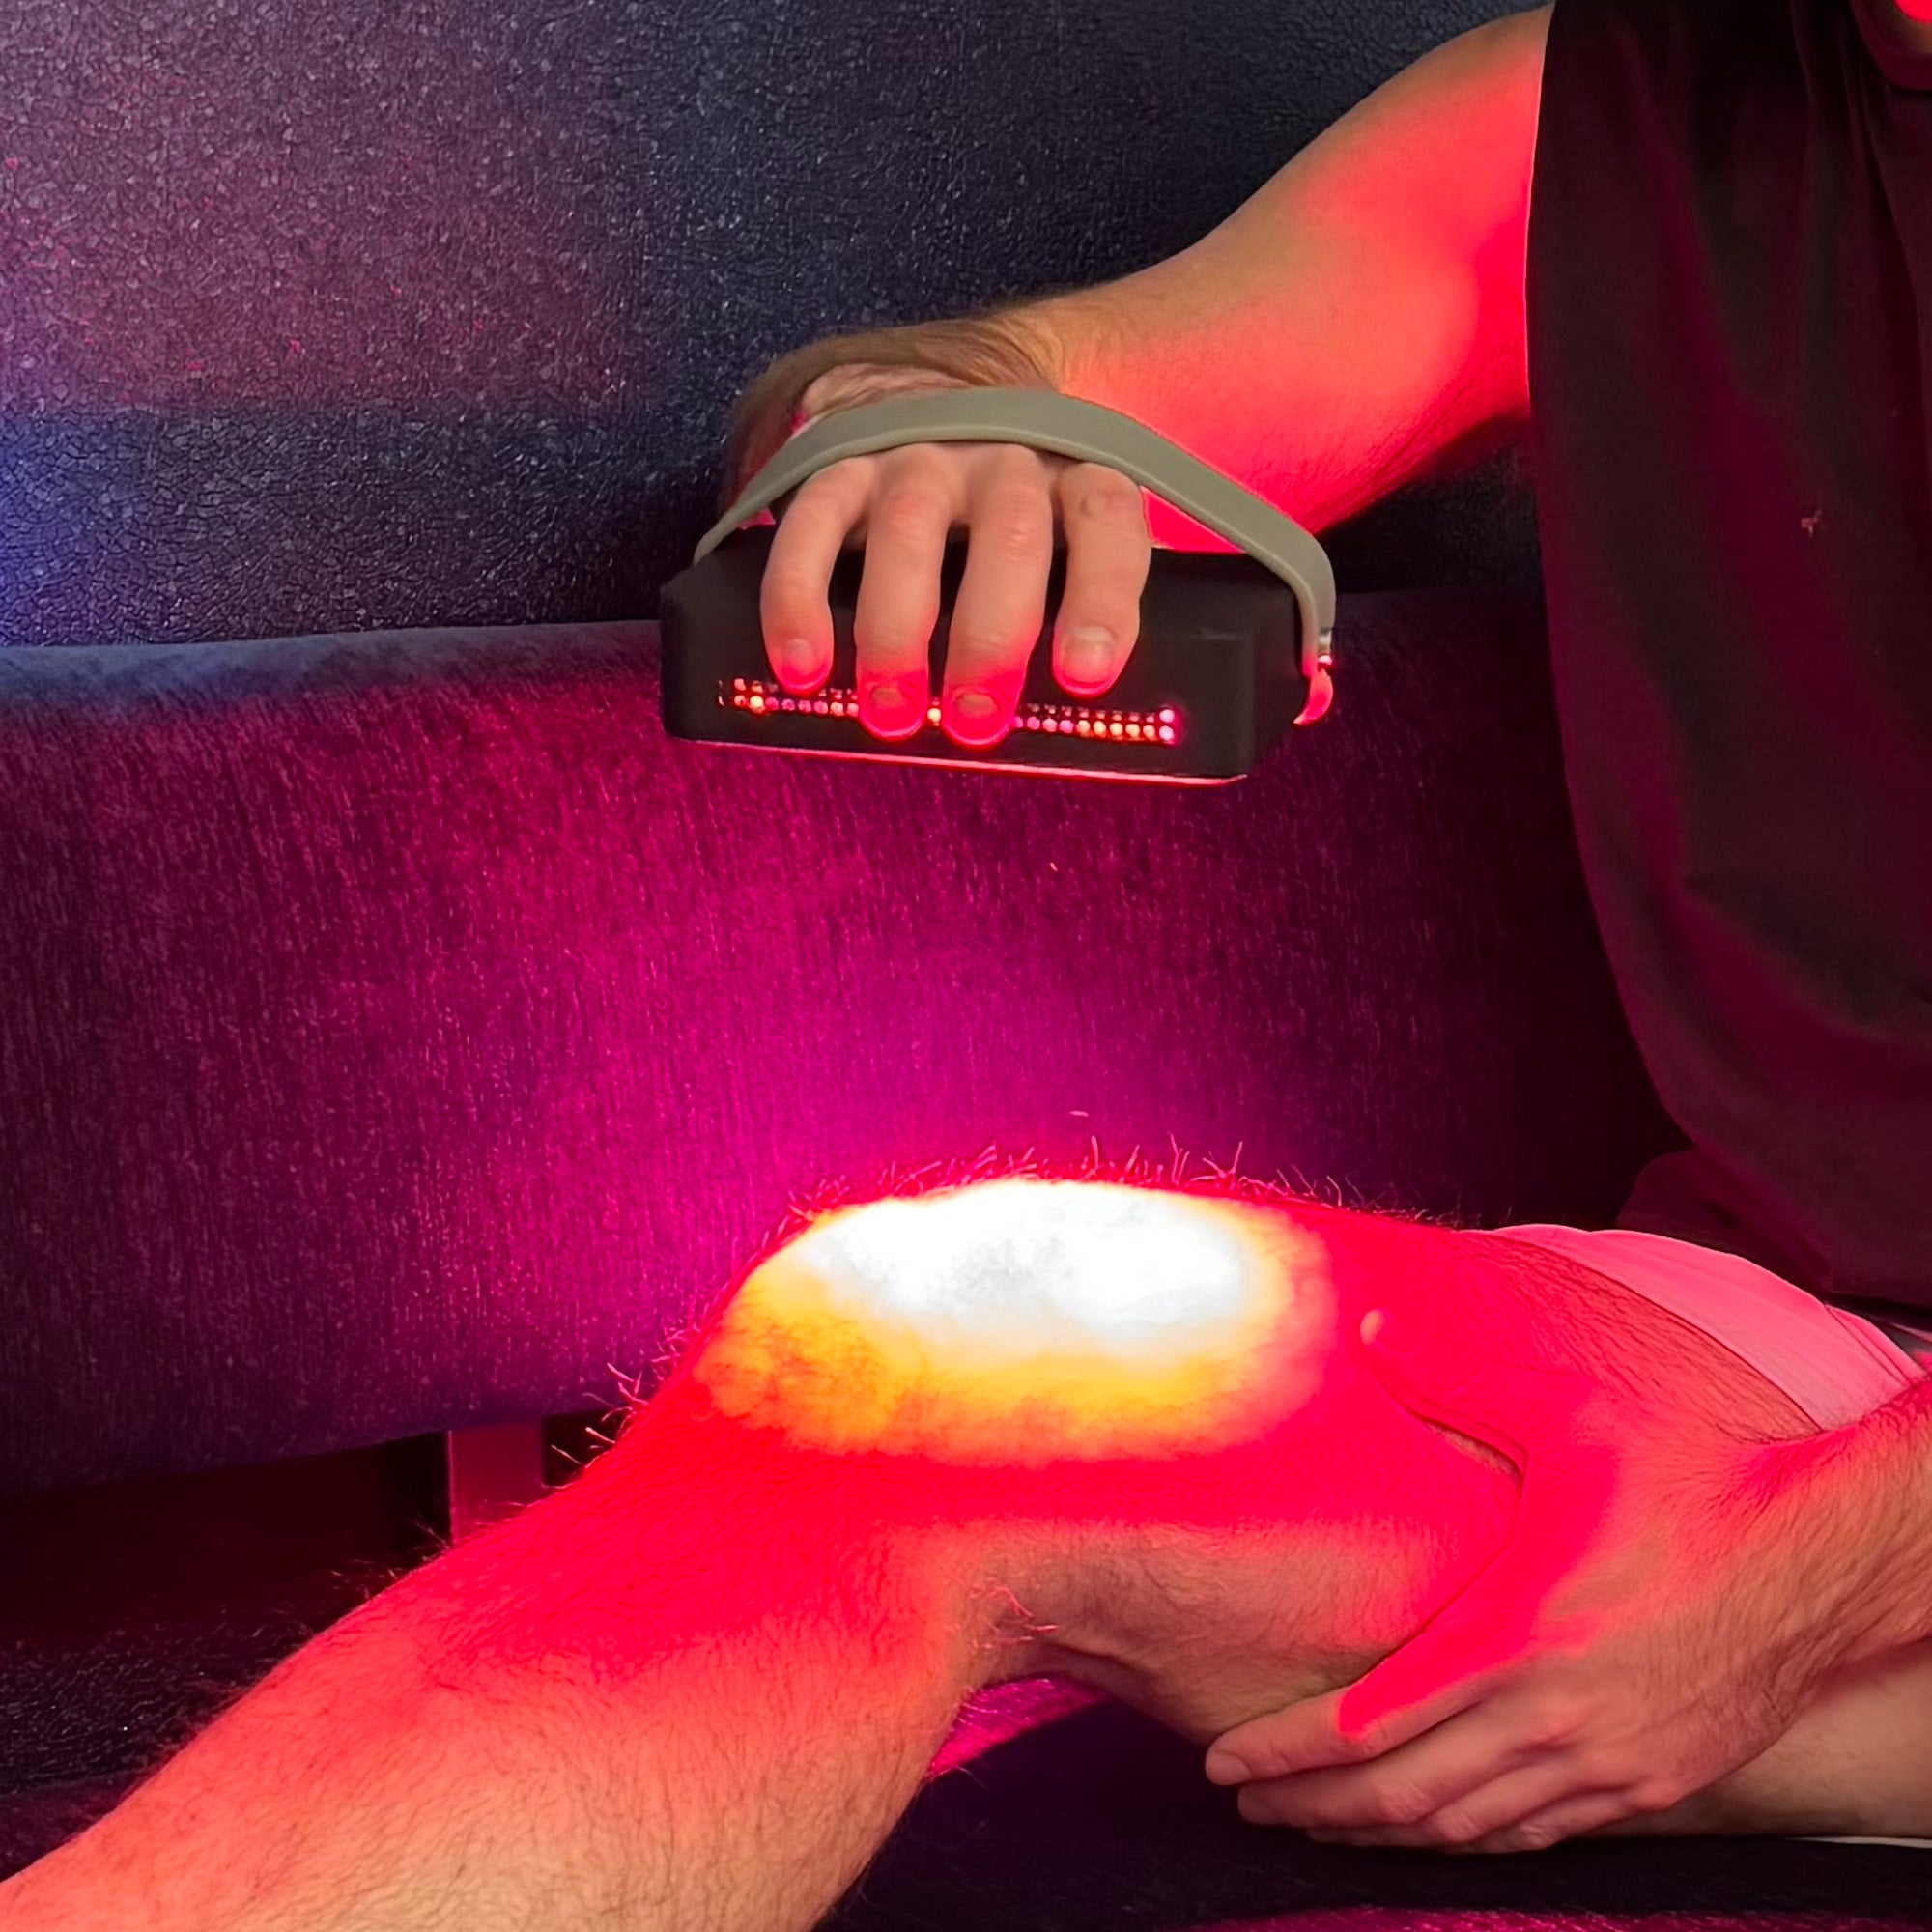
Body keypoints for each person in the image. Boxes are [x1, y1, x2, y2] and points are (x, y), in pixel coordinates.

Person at [5, 2, 1930, 1923]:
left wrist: (1779, 1596)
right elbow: (1021, 385)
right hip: (1794, 1344)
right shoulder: (1601, 107)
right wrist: (924, 431)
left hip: (1849, 1501)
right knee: (917, 1347)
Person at [3, 1171, 1931, 1932]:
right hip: (1769, 1300)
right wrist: (963, 452)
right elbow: (1127, 423)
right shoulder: (1622, 341)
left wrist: (1786, 1586)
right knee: (942, 1347)